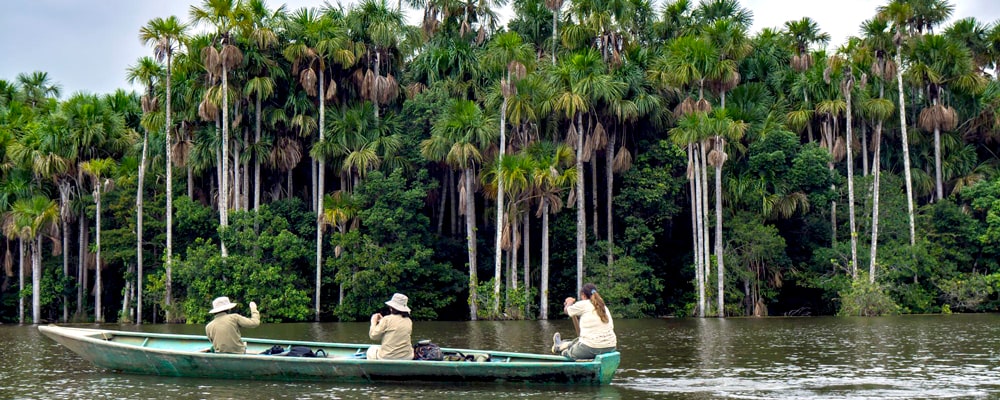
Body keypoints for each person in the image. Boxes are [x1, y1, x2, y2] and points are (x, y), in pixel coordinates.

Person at [551, 283, 617, 360]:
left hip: (591, 348)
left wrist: (569, 302)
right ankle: (561, 345)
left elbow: (567, 310)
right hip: (611, 347)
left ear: (583, 295)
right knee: (579, 340)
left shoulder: (584, 304)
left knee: (567, 353)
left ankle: (561, 349)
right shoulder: (603, 307)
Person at [367, 293, 414, 360]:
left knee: (371, 349)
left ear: (392, 308)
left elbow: (373, 336)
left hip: (387, 357)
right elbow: (395, 328)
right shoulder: (408, 321)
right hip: (407, 357)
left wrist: (373, 322)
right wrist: (382, 321)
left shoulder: (387, 319)